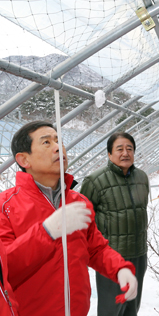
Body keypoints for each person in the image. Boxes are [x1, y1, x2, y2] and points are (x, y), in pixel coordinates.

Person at [0, 121, 137, 316]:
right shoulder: (5, 206)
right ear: (24, 159)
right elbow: (4, 269)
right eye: (46, 143)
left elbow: (96, 248)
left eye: (59, 141)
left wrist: (120, 269)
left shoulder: (77, 201)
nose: (58, 147)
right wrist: (45, 233)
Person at [80, 132, 148, 316]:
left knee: (132, 306)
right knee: (112, 309)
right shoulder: (95, 181)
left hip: (139, 254)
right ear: (109, 154)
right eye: (120, 149)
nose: (125, 153)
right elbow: (83, 220)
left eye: (130, 149)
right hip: (111, 257)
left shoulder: (142, 178)